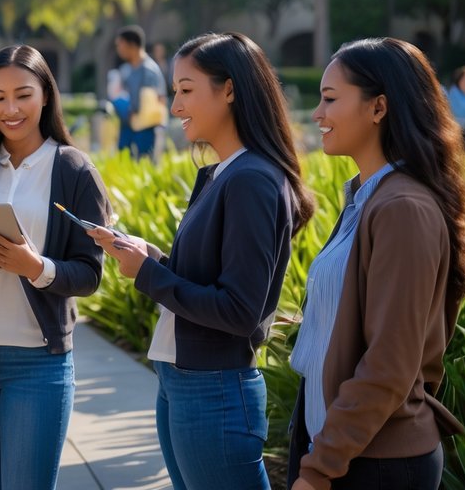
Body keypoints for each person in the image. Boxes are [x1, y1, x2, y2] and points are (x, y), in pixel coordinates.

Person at [88, 32, 314, 490]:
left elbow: (238, 310)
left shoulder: (252, 179)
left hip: (214, 389)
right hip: (184, 380)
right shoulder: (223, 173)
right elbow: (213, 277)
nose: (175, 107)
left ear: (229, 89)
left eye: (186, 90)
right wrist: (154, 258)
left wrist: (150, 275)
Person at [288, 38, 465, 490]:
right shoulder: (366, 196)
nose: (317, 114)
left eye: (330, 99)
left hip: (374, 462)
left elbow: (390, 363)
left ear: (379, 108)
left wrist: (320, 468)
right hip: (341, 446)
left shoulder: (401, 207)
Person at [0, 45, 109, 490]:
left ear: (46, 96)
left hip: (37, 362)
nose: (10, 109)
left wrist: (35, 267)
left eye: (23, 95)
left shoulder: (74, 170)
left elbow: (89, 275)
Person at [114, 25, 167, 159]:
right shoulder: (127, 69)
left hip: (145, 129)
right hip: (128, 126)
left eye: (120, 44)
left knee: (144, 164)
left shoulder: (149, 70)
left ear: (132, 45)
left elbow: (158, 100)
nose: (118, 49)